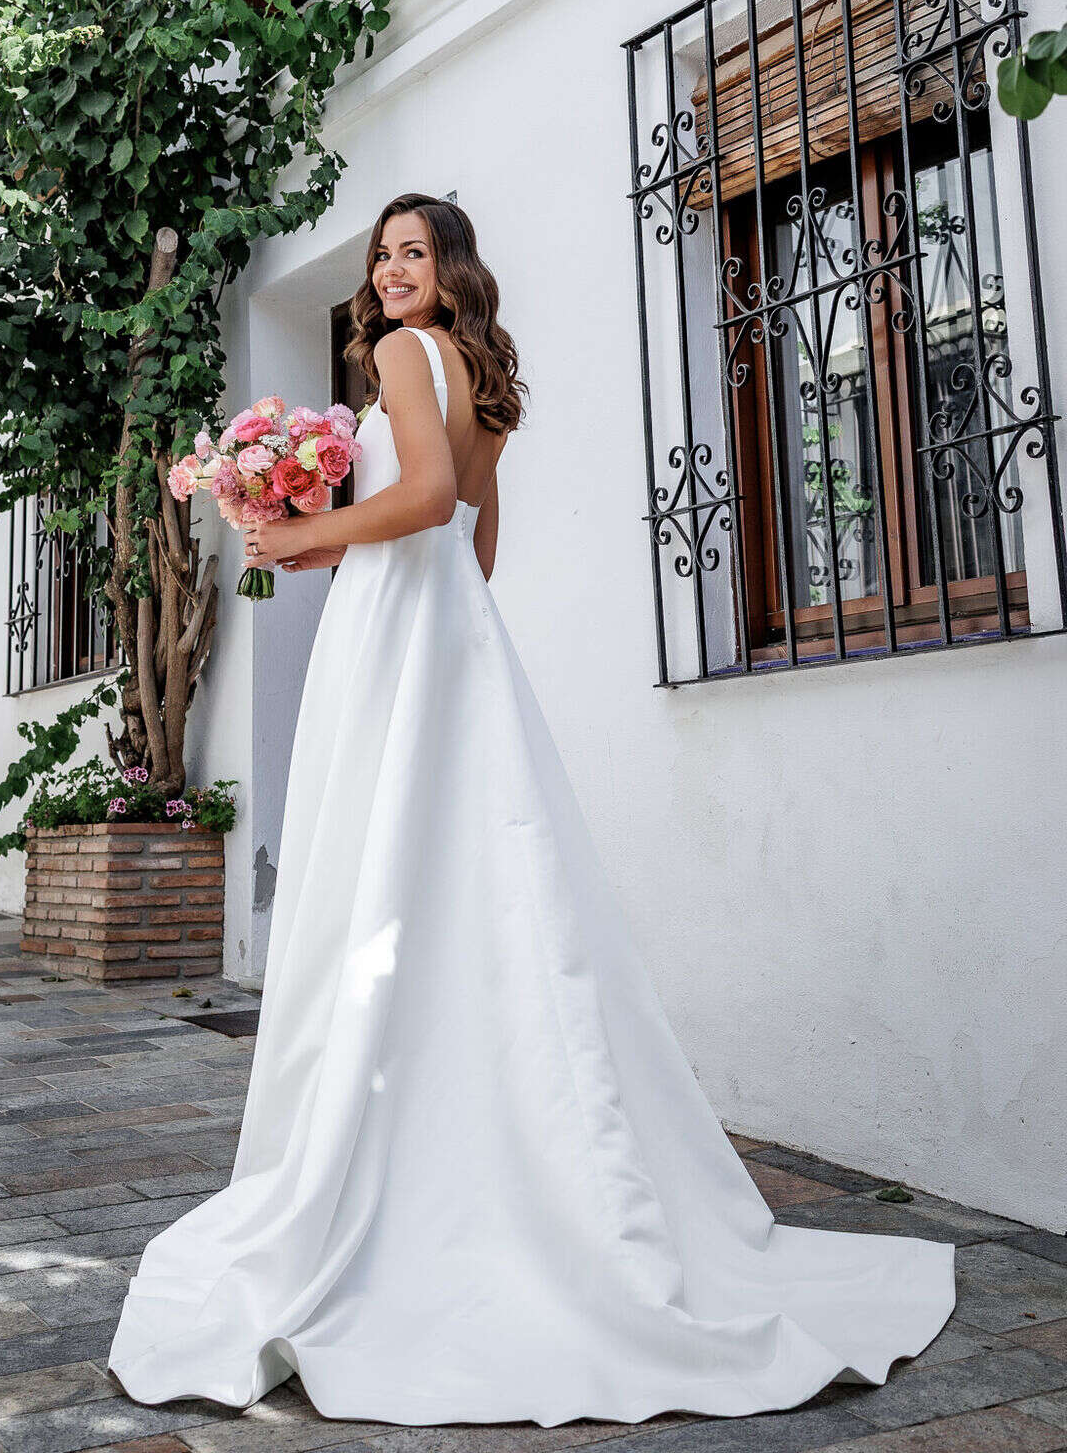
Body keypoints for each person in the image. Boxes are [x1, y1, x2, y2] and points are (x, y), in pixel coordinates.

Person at [108, 192, 954, 1426]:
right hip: (452, 631)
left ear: (450, 267)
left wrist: (313, 533)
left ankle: (396, 1151)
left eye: (413, 252)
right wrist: (341, 550)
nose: (390, 271)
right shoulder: (485, 373)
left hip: (395, 638)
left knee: (386, 870)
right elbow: (471, 538)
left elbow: (419, 499)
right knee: (476, 878)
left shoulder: (407, 355)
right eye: (381, 255)